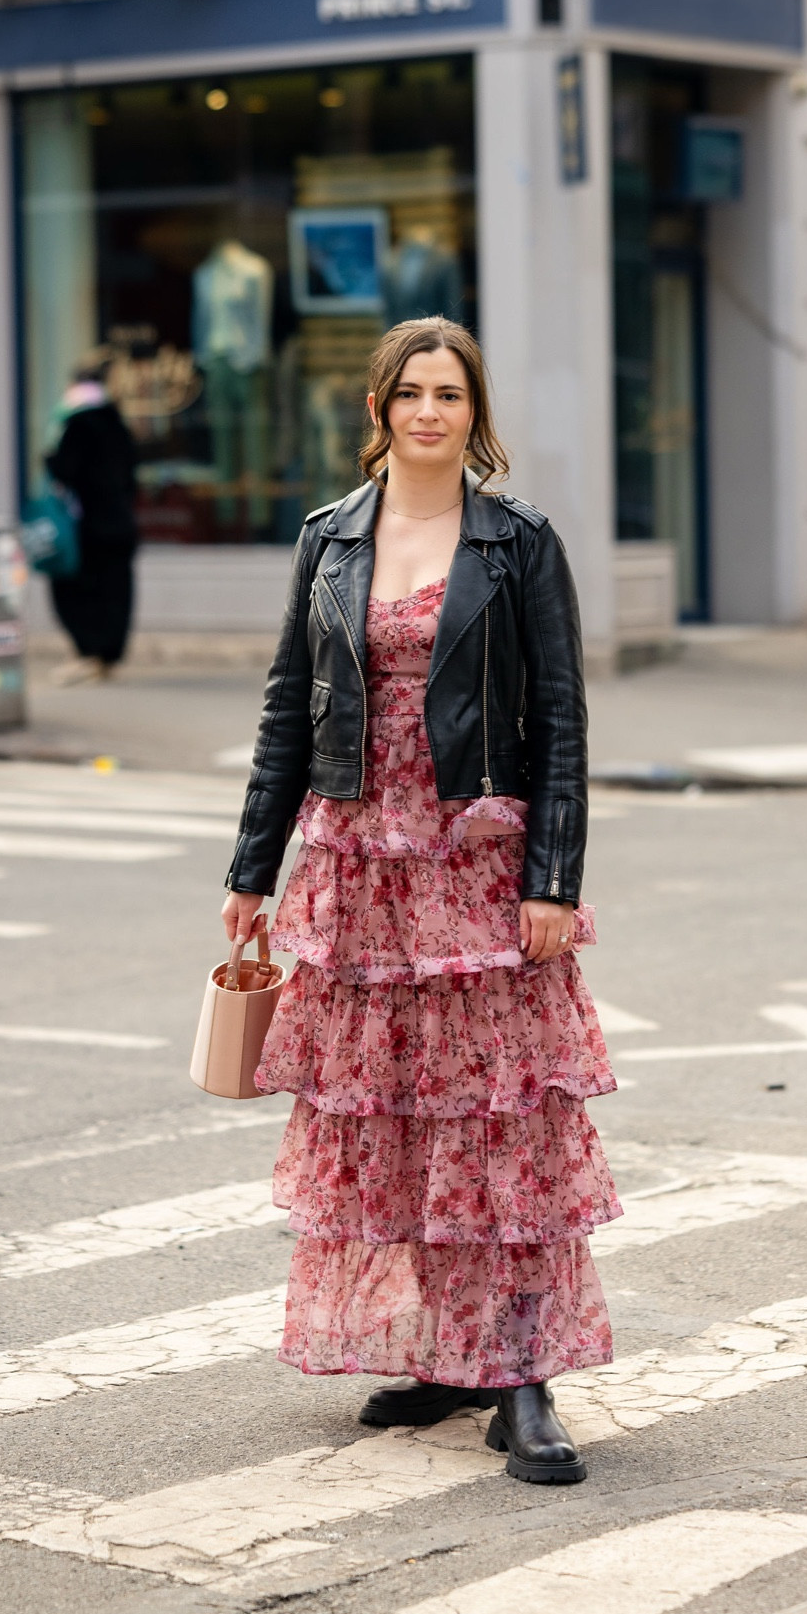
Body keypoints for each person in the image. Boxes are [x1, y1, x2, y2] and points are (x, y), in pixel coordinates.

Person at [224, 317, 620, 1485]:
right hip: (358, 865)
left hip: (474, 864)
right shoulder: (329, 538)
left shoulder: (519, 543)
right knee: (396, 1118)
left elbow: (560, 721)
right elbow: (287, 710)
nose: (430, 411)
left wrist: (553, 880)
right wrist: (252, 871)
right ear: (380, 407)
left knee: (500, 1124)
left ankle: (522, 1377)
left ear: (473, 409)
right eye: (411, 392)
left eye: (450, 392)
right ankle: (450, 1358)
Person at [44, 353, 139, 684]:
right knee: (114, 593)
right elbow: (130, 476)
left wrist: (49, 460)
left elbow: (64, 471)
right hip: (120, 523)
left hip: (86, 529)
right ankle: (106, 658)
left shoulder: (74, 424)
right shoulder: (116, 422)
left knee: (76, 592)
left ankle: (89, 655)